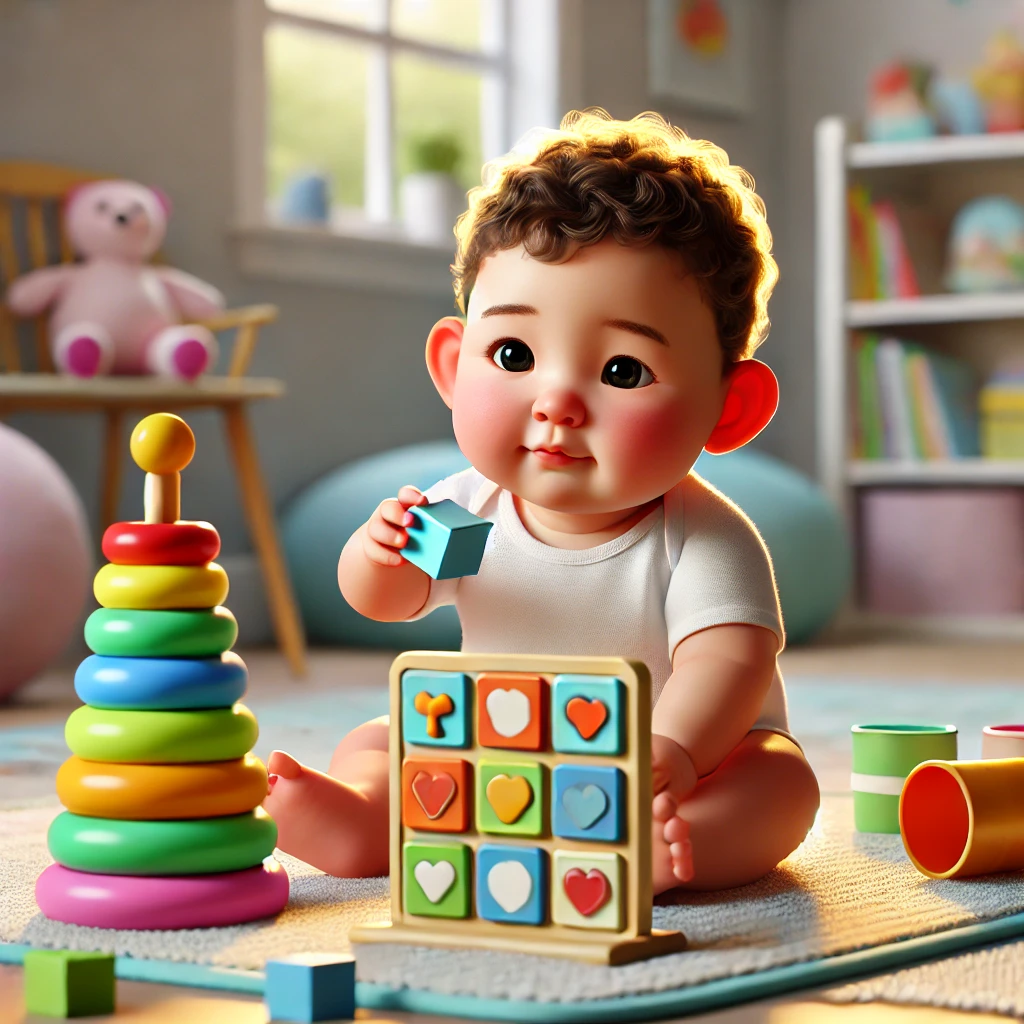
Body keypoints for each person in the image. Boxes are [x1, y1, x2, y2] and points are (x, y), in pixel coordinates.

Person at [264, 109, 820, 895]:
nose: (557, 401)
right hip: (497, 755)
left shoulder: (701, 538)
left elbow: (729, 661)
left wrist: (676, 751)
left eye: (623, 370)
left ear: (727, 410)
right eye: (515, 355)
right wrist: (377, 552)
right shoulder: (466, 510)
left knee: (778, 784)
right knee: (379, 740)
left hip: (662, 770)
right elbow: (386, 602)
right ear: (456, 367)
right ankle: (361, 818)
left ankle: (663, 849)